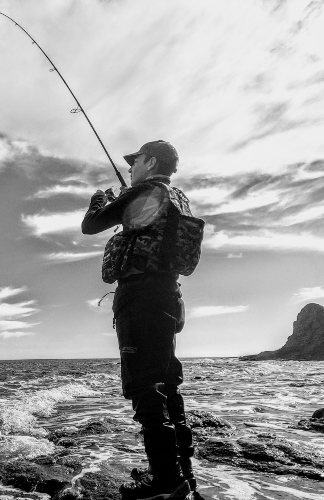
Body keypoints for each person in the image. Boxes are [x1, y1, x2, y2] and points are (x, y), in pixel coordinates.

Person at [82, 140, 198, 500]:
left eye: (135, 162)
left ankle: (164, 482)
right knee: (166, 384)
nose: (131, 168)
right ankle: (183, 476)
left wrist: (100, 199)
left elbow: (91, 225)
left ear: (150, 162)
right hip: (168, 296)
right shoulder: (178, 197)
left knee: (144, 387)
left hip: (141, 298)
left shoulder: (146, 190)